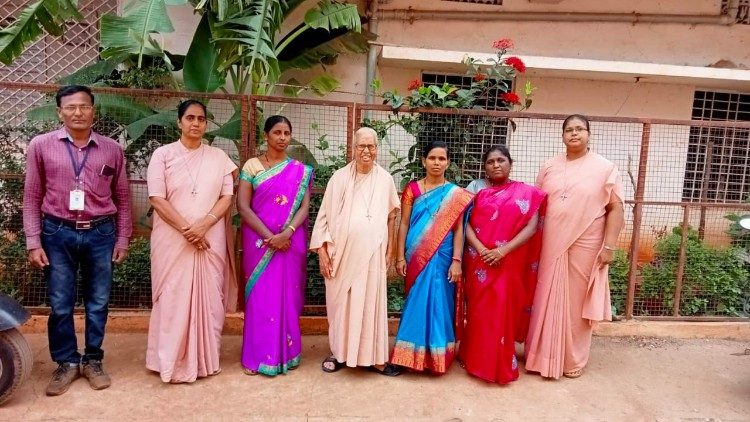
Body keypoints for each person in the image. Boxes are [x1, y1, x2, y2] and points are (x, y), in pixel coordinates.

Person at [23, 85, 132, 396]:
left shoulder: (111, 149)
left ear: (93, 110)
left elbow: (123, 197)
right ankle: (67, 362)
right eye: (71, 107)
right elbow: (31, 195)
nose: (78, 112)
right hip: (57, 233)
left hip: (101, 233)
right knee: (60, 304)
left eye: (84, 106)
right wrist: (34, 240)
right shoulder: (41, 146)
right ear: (60, 112)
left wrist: (122, 238)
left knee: (98, 302)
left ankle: (93, 360)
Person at [525, 114, 624, 379]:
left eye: (580, 129)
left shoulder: (605, 168)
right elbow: (537, 206)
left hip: (586, 241)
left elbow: (615, 208)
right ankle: (540, 357)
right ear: (562, 135)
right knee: (546, 294)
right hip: (551, 242)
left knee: (576, 301)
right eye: (569, 129)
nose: (574, 134)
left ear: (589, 134)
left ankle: (572, 360)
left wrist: (610, 246)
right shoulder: (549, 166)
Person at [145, 100, 238, 383]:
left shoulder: (219, 157)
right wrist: (188, 229)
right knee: (172, 297)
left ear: (206, 124)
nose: (195, 123)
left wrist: (205, 224)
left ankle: (204, 361)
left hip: (209, 239)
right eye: (189, 118)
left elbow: (227, 197)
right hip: (173, 240)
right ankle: (169, 361)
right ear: (179, 122)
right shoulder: (162, 155)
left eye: (201, 119)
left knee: (210, 298)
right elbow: (157, 199)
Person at [310, 127, 400, 376]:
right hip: (341, 255)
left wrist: (391, 252)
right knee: (342, 306)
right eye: (362, 146)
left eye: (371, 146)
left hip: (374, 255)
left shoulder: (385, 179)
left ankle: (375, 358)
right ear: (353, 147)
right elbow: (324, 217)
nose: (367, 151)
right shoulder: (338, 178)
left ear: (377, 149)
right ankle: (339, 353)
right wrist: (322, 252)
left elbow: (392, 217)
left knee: (371, 304)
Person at [459, 145, 546, 384]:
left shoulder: (526, 193)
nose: (496, 165)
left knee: (502, 312)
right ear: (484, 166)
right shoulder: (474, 191)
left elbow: (531, 226)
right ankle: (473, 357)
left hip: (508, 263)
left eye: (501, 160)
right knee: (478, 312)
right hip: (479, 262)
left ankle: (499, 360)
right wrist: (483, 250)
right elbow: (463, 224)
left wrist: (502, 251)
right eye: (490, 162)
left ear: (510, 163)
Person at [237, 115, 312, 376]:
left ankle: (287, 354)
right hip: (260, 243)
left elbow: (304, 206)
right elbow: (243, 206)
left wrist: (287, 232)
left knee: (287, 297)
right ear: (266, 135)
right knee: (260, 298)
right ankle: (257, 357)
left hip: (289, 243)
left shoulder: (299, 170)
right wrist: (270, 236)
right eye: (277, 132)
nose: (282, 138)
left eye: (286, 133)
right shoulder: (252, 166)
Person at [391, 140, 473, 374]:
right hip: (416, 255)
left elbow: (458, 230)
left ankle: (437, 359)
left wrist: (457, 261)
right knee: (416, 302)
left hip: (444, 256)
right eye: (432, 158)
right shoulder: (412, 190)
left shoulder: (455, 194)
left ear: (448, 163)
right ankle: (405, 358)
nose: (436, 163)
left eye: (442, 159)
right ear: (423, 161)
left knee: (440, 304)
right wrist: (399, 258)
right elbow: (404, 224)